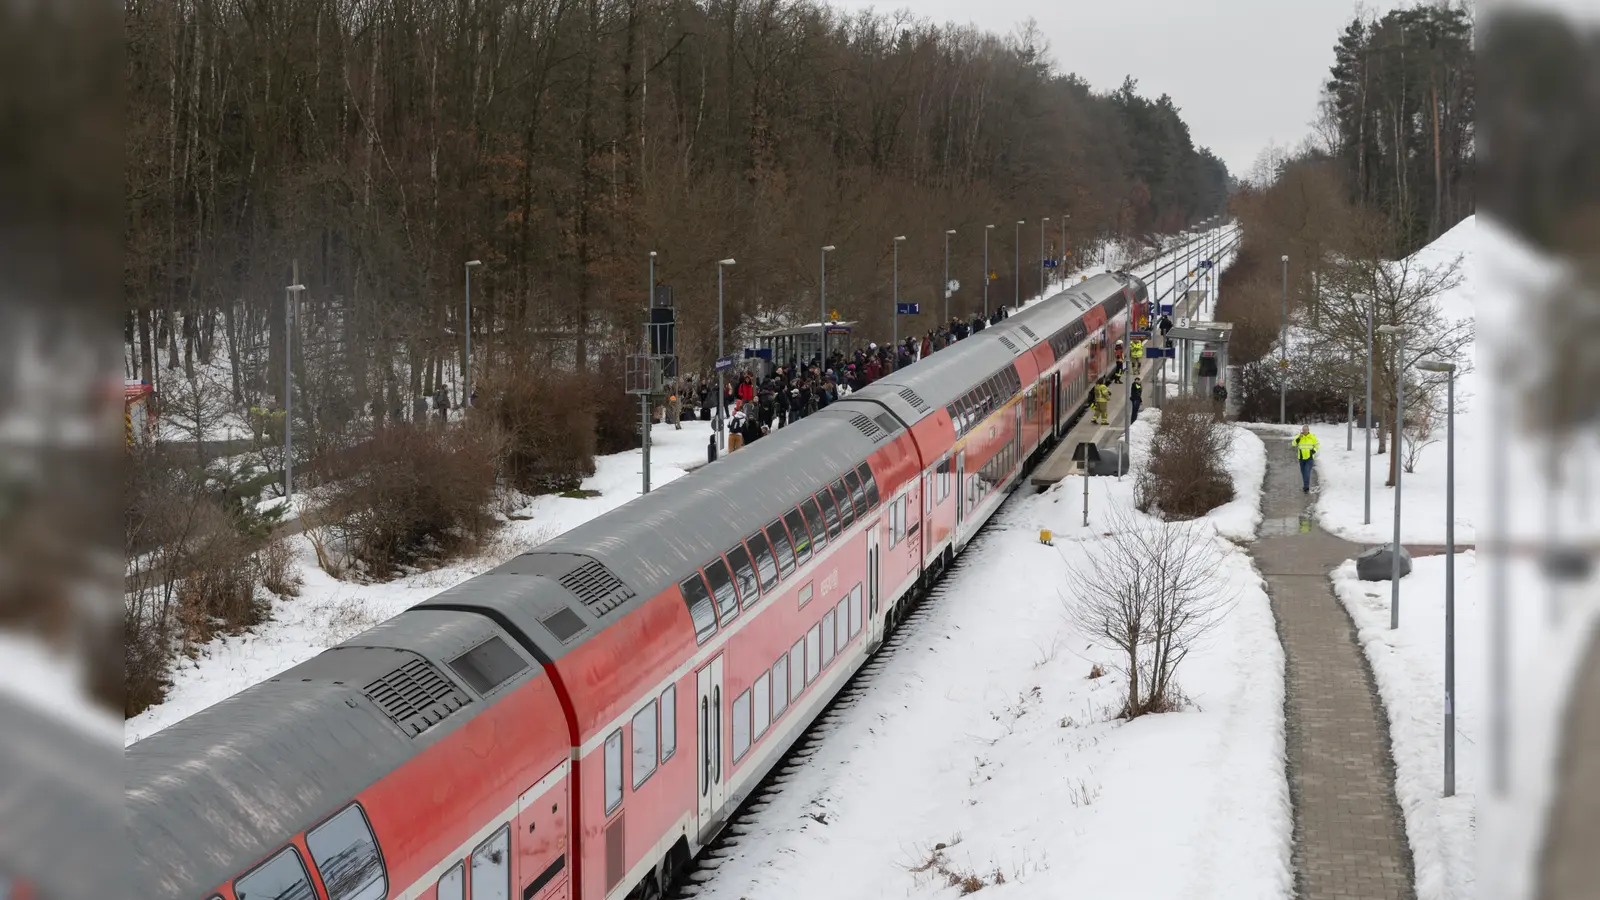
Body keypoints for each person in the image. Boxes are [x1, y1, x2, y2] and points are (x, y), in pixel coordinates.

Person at [1293, 425, 1319, 493]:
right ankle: (1306, 485)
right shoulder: (1299, 436)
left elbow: (1317, 445)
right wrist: (1299, 438)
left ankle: (1306, 487)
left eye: (1306, 430)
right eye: (1303, 430)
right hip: (1301, 458)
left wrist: (1313, 450)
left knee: (1307, 472)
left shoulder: (1312, 437)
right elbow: (1293, 444)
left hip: (1309, 458)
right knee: (1303, 473)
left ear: (1308, 430)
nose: (1305, 431)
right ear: (1302, 430)